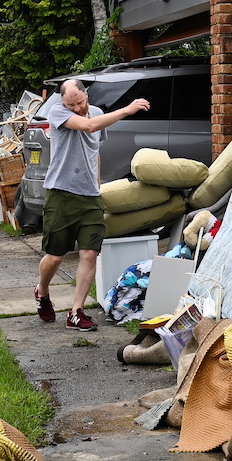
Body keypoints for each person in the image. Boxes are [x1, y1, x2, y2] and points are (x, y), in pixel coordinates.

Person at [35, 79, 150, 331]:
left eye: (80, 102)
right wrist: (127, 109)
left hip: (90, 197)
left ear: (86, 94)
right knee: (55, 257)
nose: (76, 107)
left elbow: (94, 149)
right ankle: (42, 291)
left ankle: (76, 312)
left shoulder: (97, 112)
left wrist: (96, 186)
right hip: (61, 193)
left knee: (89, 253)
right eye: (71, 104)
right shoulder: (58, 112)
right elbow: (88, 127)